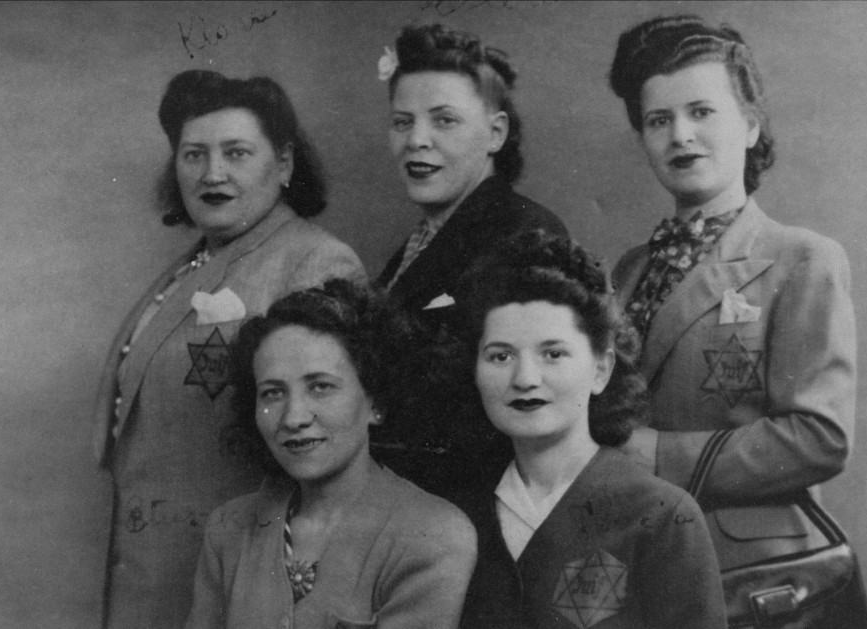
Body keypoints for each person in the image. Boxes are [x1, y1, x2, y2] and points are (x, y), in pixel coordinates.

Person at [609, 14, 867, 627]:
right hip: (641, 560)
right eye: (658, 120)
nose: (681, 135)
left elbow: (820, 436)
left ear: (750, 125)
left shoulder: (802, 257)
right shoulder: (626, 271)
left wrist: (655, 455)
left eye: (702, 111)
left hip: (750, 575)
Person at [92, 69, 366, 629]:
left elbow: (325, 457)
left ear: (284, 163)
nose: (212, 173)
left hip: (235, 583)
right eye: (194, 155)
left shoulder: (315, 264)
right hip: (153, 573)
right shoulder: (192, 265)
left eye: (236, 153)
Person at [455, 231, 726, 629]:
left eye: (553, 354)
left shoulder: (662, 516)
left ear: (601, 369)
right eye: (500, 356)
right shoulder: (458, 512)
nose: (525, 378)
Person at [184, 280, 476, 628]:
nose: (293, 418)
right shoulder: (228, 530)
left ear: (376, 402)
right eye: (273, 393)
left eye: (321, 387)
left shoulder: (433, 533)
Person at [370, 22, 568, 504]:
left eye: (444, 120)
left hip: (480, 504)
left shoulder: (523, 234)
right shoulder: (421, 241)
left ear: (495, 132)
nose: (417, 140)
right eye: (402, 122)